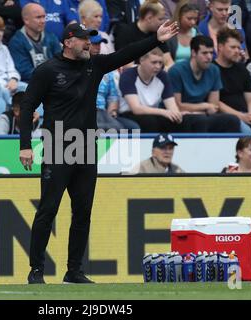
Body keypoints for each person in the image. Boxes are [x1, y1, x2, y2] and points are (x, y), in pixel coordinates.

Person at [19, 21, 179, 284]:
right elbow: (27, 107)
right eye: (84, 40)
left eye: (90, 40)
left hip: (86, 149)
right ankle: (36, 270)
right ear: (68, 42)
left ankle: (73, 270)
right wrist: (25, 145)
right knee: (48, 211)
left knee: (82, 212)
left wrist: (156, 39)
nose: (89, 44)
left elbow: (124, 54)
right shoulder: (47, 70)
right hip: (57, 148)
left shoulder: (94, 65)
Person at [118, 47, 209, 133]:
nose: (158, 66)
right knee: (151, 122)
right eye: (154, 62)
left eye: (160, 63)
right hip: (129, 115)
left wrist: (177, 114)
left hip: (154, 114)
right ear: (141, 60)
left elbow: (171, 106)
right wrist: (165, 112)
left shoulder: (163, 76)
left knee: (186, 120)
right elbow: (136, 109)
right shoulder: (128, 75)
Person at [167, 35, 241, 133]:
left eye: (211, 53)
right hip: (179, 117)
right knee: (200, 121)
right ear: (193, 53)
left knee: (232, 120)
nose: (209, 57)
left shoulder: (214, 70)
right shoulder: (176, 71)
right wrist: (204, 106)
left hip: (202, 115)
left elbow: (213, 106)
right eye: (205, 53)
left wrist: (204, 109)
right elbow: (178, 105)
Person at [8, 3, 61, 83]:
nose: (43, 21)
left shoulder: (51, 37)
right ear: (26, 20)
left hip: (54, 80)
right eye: (38, 17)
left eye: (44, 17)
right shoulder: (16, 42)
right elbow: (24, 72)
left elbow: (60, 61)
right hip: (31, 85)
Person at [114, 0, 175, 69]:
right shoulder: (125, 32)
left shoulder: (158, 34)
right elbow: (125, 65)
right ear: (149, 18)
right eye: (160, 19)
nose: (162, 22)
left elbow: (170, 63)